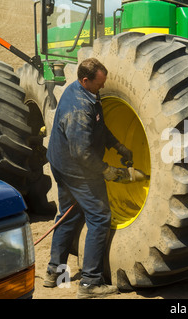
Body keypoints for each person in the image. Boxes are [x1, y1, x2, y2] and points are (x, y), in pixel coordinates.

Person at [44, 58, 133, 299]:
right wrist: (107, 170)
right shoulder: (79, 109)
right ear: (86, 80)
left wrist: (118, 146)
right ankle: (90, 283)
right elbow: (81, 153)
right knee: (99, 216)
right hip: (74, 167)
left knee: (68, 215)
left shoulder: (84, 93)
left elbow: (99, 127)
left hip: (63, 161)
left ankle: (55, 273)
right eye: (99, 83)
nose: (102, 87)